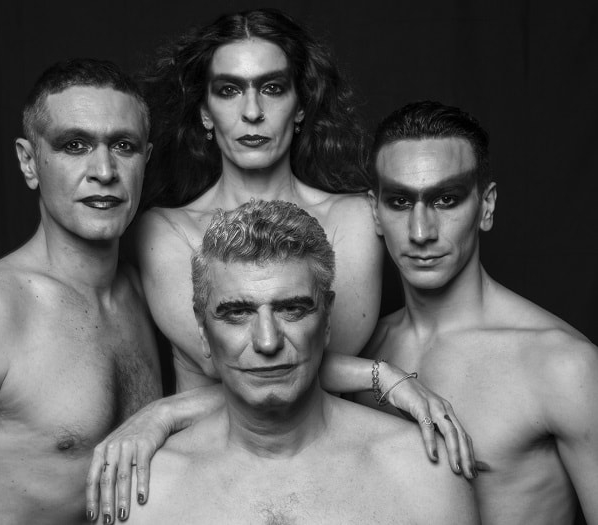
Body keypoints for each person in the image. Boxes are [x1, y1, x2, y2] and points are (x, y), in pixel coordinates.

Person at [86, 9, 479, 520]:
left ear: (300, 106)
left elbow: (295, 371)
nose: (252, 112)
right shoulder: (163, 232)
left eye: (272, 89)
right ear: (204, 111)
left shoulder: (354, 221)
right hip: (202, 485)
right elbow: (242, 367)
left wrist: (163, 413)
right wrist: (381, 376)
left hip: (335, 480)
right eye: (229, 90)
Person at [0, 58, 163, 524]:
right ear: (28, 161)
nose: (104, 170)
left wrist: (168, 414)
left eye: (124, 146)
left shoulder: (146, 294)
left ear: (146, 160)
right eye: (75, 145)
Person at [125, 199, 480, 524]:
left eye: (292, 309)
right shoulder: (147, 491)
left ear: (327, 319)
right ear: (203, 330)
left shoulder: (421, 471)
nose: (267, 341)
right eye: (237, 313)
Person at [354, 100, 598, 524]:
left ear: (486, 207)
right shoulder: (362, 354)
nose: (420, 232)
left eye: (446, 199)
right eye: (400, 201)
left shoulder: (564, 366)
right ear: (375, 212)